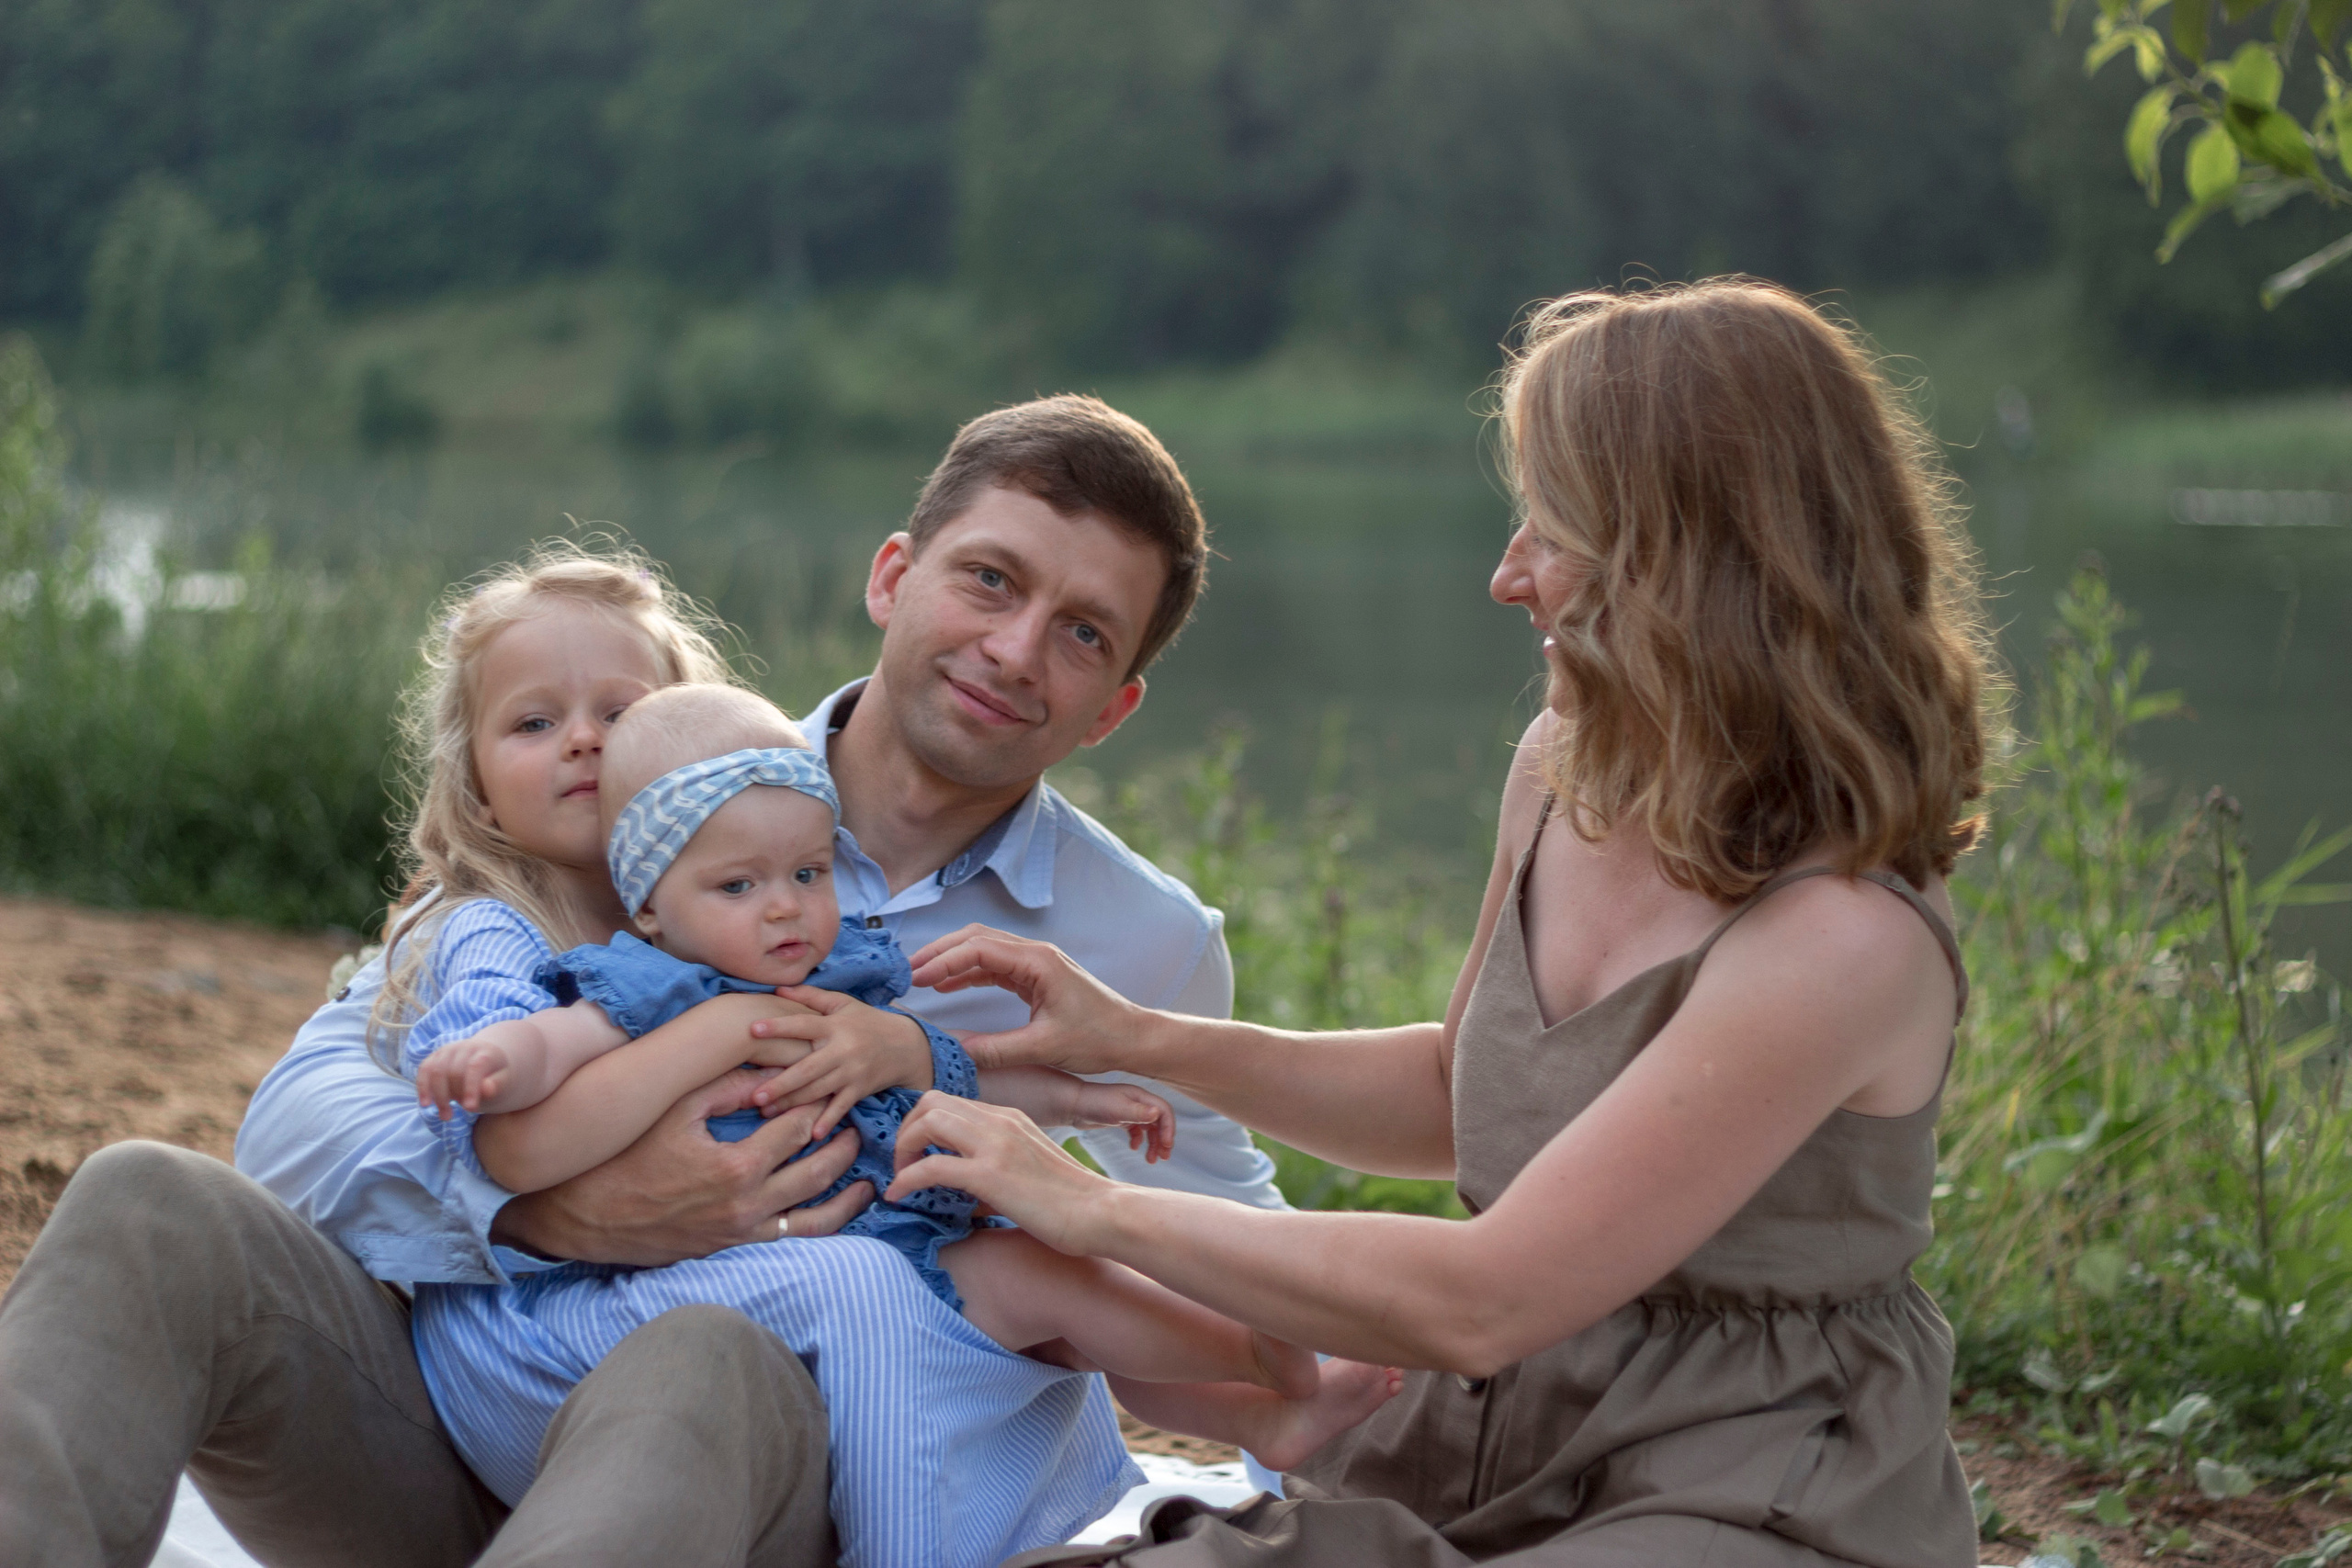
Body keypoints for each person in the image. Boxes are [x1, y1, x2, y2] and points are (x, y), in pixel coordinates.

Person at [0, 391, 1282, 1567]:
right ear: (894, 576)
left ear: (1114, 703)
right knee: (146, 1200)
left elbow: (1249, 1251)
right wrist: (554, 1206)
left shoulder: (1145, 943)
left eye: (1080, 632)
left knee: (705, 1359)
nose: (1011, 649)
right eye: (988, 579)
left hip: (774, 1486)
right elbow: (296, 1124)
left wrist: (1338, 1435)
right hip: (458, 1421)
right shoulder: (646, 780)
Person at [881, 279, 1996, 1566]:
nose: (1506, 573)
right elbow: (1456, 1092)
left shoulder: (1847, 937)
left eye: (1553, 531)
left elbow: (1487, 1294)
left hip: (1753, 1472)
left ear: (1694, 563)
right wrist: (1139, 1037)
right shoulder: (1568, 763)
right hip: (1503, 1417)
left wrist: (1084, 1208)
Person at [397, 682, 1396, 1566]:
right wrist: (492, 1060)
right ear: (650, 906)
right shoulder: (646, 981)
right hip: (742, 1257)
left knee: (1067, 1284)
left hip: (904, 1225)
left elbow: (950, 1079)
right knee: (985, 1310)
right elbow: (554, 1045)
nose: (785, 910)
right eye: (738, 887)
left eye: (807, 873)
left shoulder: (847, 979)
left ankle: (1262, 1379)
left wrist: (1081, 1099)